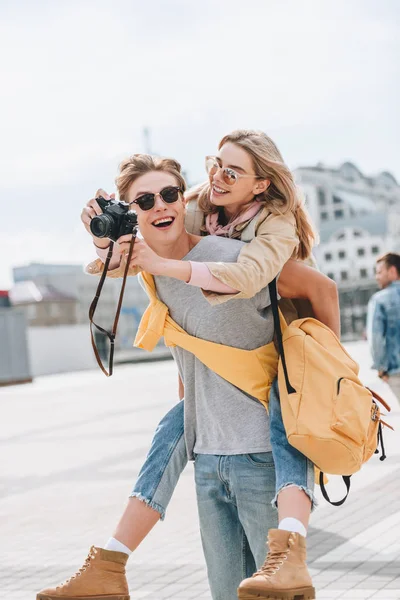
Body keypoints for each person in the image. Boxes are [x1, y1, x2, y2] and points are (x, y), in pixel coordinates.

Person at [37, 137, 338, 600]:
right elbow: (109, 266)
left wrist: (330, 377)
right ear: (132, 214)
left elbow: (317, 287)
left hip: (260, 457)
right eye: (144, 200)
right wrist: (103, 235)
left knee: (280, 592)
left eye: (170, 195)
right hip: (208, 459)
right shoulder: (153, 265)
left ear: (182, 200)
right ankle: (109, 565)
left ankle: (113, 564)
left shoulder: (237, 254)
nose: (161, 205)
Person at [367, 252, 400, 403]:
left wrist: (381, 367)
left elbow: (376, 338)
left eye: (380, 272)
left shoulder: (379, 300)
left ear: (392, 271)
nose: (376, 277)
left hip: (396, 369)